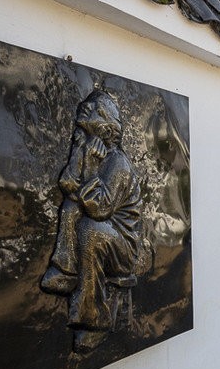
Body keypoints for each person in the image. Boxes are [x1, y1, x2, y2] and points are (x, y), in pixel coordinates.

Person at [40, 88, 144, 347]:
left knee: (90, 229)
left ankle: (94, 320)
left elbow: (99, 210)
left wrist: (89, 169)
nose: (85, 108)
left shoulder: (118, 164)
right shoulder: (88, 148)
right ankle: (65, 271)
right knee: (71, 207)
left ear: (107, 129)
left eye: (94, 109)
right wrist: (79, 153)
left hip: (123, 250)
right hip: (105, 232)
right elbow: (67, 184)